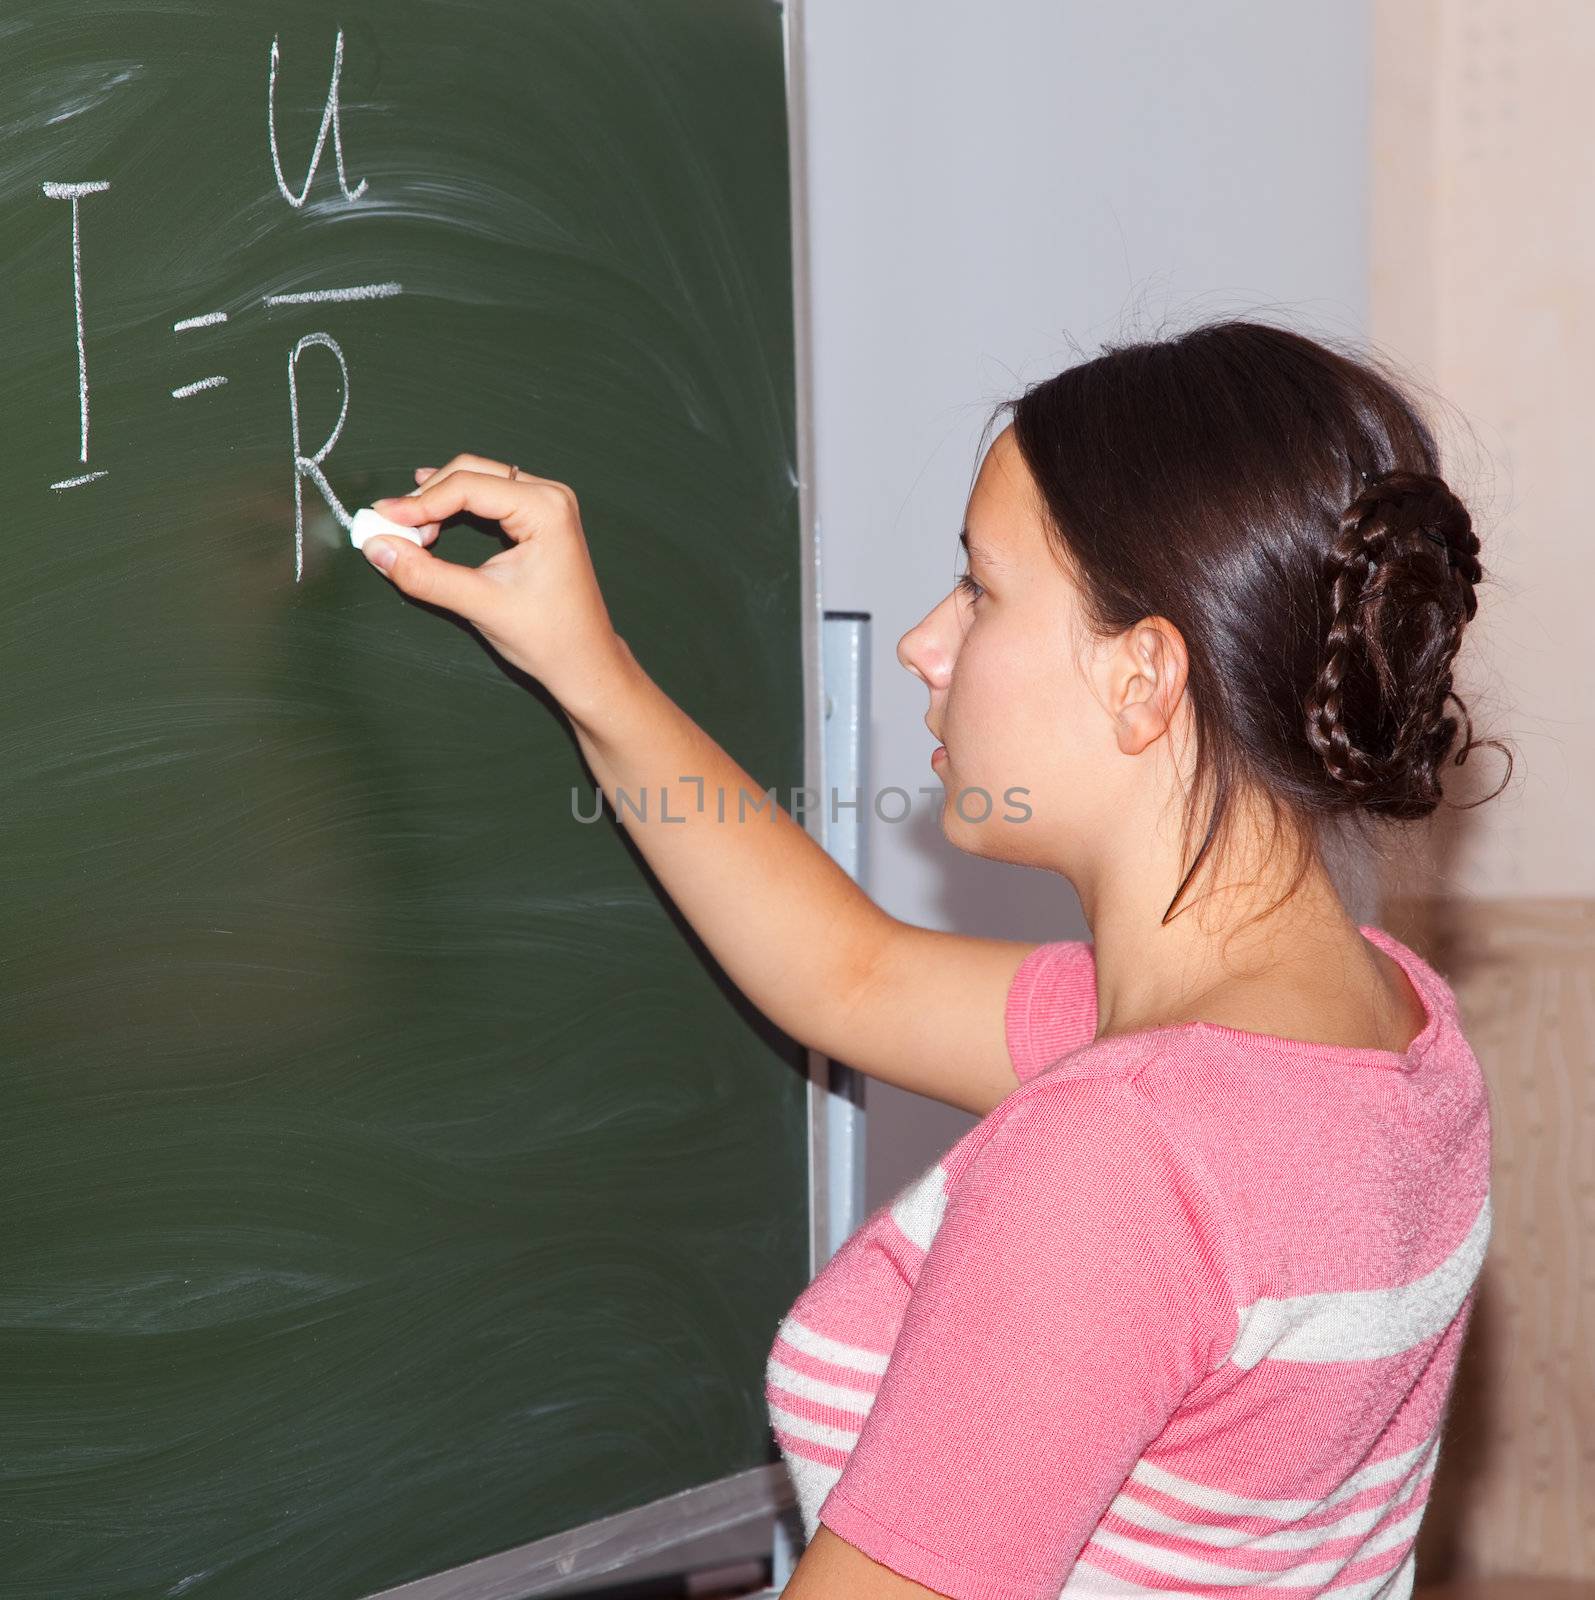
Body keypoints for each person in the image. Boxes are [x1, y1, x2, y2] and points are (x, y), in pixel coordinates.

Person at [359, 318, 1512, 1599]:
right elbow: (845, 973)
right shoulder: (1381, 1032)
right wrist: (594, 672)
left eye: (981, 587)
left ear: (1141, 678)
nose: (923, 642)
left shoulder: (1125, 1151)